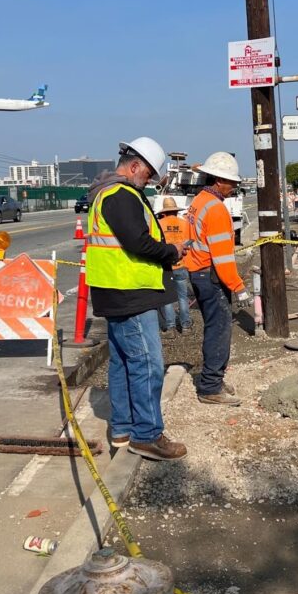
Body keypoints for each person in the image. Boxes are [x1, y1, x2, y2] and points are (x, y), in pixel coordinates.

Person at [85, 137, 188, 461]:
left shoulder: (106, 193)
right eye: (148, 177)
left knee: (123, 364)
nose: (149, 184)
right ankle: (147, 435)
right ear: (134, 167)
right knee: (146, 364)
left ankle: (123, 430)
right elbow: (137, 242)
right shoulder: (121, 195)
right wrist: (171, 251)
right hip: (130, 294)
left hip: (115, 293)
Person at [183, 152, 250, 406]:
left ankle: (215, 379)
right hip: (211, 277)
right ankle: (210, 386)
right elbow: (222, 259)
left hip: (198, 273)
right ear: (218, 180)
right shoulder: (217, 210)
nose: (233, 187)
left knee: (215, 326)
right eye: (231, 182)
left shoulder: (199, 201)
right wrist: (238, 287)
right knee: (219, 329)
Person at [157, 197, 193, 335]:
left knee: (167, 299)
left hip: (166, 267)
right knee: (182, 297)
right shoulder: (183, 224)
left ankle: (170, 327)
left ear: (164, 213)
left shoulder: (159, 224)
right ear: (176, 211)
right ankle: (185, 327)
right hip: (181, 265)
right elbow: (189, 242)